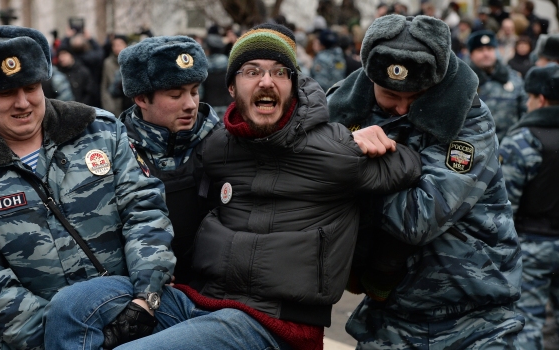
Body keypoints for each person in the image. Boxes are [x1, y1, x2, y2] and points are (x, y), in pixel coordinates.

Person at [52, 23, 422, 350]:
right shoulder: (218, 145)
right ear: (231, 87)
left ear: (294, 85)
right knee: (72, 307)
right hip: (202, 301)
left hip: (274, 322)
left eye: (280, 72)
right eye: (251, 71)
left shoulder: (337, 149)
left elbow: (415, 167)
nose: (266, 81)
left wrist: (379, 136)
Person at [0, 26, 175, 349]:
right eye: (6, 93)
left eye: (31, 87)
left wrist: (145, 301)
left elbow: (145, 211)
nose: (23, 103)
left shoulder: (100, 132)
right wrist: (72, 338)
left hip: (135, 326)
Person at [327, 15, 522, 348]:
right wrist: (344, 146)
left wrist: (349, 165)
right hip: (389, 316)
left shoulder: (468, 118)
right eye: (389, 95)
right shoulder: (344, 111)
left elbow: (418, 217)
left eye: (416, 97)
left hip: (476, 320)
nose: (402, 108)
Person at [117, 36, 221, 285]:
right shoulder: (116, 154)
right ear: (141, 98)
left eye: (194, 92)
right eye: (175, 95)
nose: (190, 105)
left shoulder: (223, 144)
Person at [499, 64, 559, 349]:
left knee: (527, 324)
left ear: (541, 100)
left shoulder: (522, 140)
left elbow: (503, 207)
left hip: (532, 245)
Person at [468, 30, 527, 141]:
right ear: (471, 54)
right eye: (480, 50)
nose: (486, 54)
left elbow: (525, 113)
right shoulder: (463, 82)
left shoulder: (514, 79)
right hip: (474, 147)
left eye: (490, 49)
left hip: (508, 146)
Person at [101, 35, 128, 116]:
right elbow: (104, 86)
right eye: (114, 45)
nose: (117, 47)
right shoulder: (108, 63)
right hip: (113, 106)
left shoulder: (131, 62)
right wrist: (109, 106)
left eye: (120, 44)